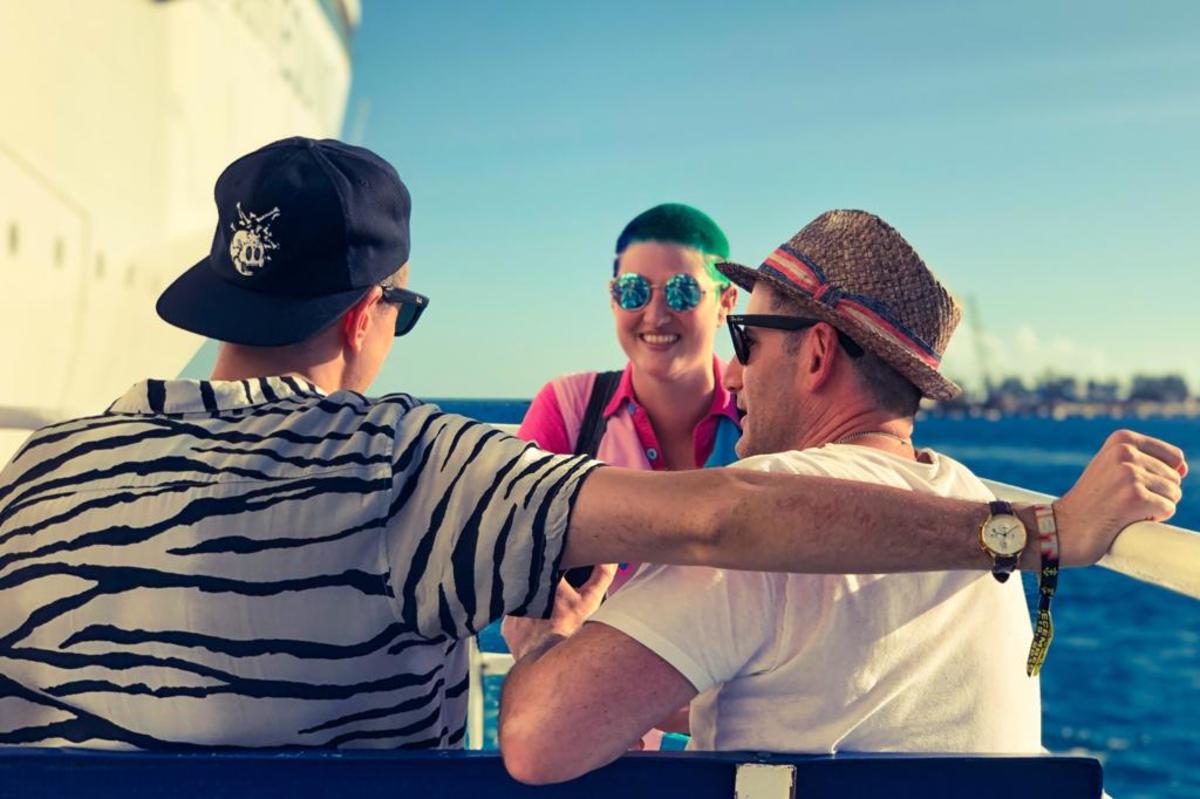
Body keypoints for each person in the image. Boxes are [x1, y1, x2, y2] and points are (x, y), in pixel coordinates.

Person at [0, 140, 1183, 752]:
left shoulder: (33, 475)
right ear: (367, 316)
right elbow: (725, 516)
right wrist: (1036, 532)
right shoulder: (414, 466)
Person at [497, 210, 1191, 784]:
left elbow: (538, 742)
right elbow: (813, 679)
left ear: (819, 353)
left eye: (749, 339)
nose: (732, 374)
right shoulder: (973, 507)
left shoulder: (763, 518)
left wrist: (545, 640)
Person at [518, 203, 741, 597]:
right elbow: (514, 547)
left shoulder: (759, 414)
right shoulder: (570, 409)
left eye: (682, 291)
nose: (655, 316)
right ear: (612, 298)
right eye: (634, 290)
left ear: (726, 302)